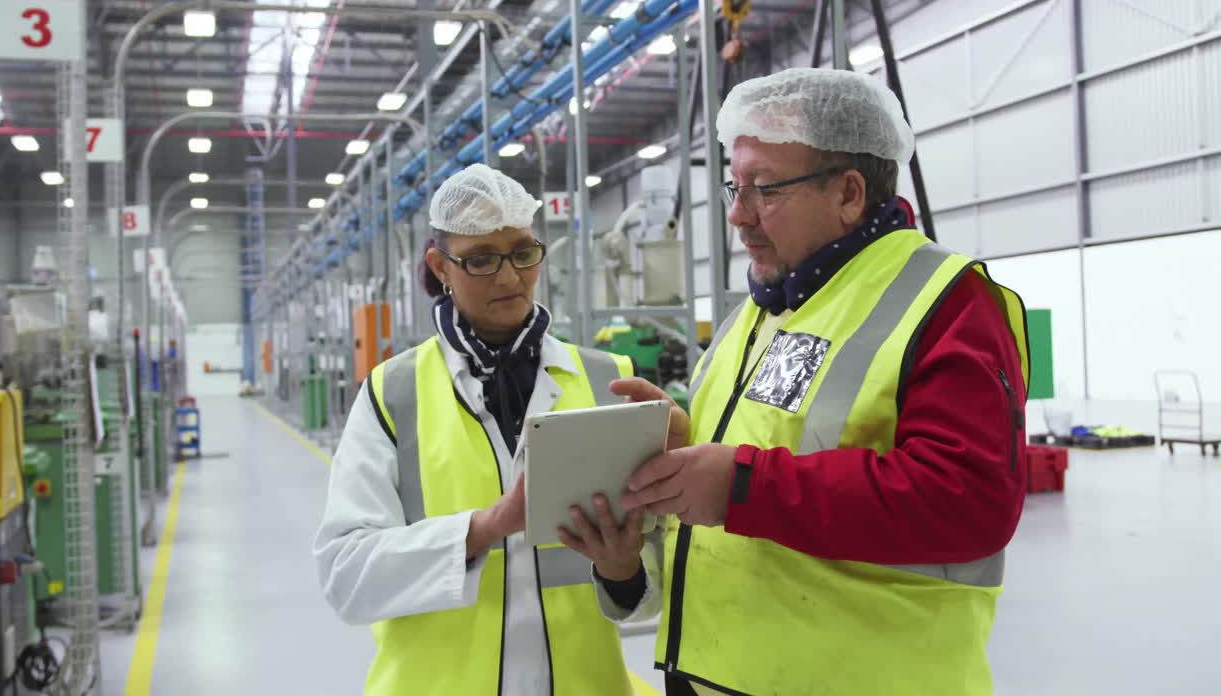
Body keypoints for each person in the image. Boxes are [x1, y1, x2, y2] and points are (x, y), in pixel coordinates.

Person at [564, 67, 1031, 695]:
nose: (737, 215)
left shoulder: (946, 301)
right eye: (734, 187)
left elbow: (969, 502)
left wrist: (739, 485)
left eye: (765, 189)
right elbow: (768, 451)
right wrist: (683, 445)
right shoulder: (761, 311)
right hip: (711, 675)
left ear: (849, 193)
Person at [313, 163, 644, 695]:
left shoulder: (609, 379)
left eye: (523, 253)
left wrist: (623, 570)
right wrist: (483, 528)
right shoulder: (393, 393)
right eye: (482, 259)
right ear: (440, 266)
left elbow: (656, 580)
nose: (510, 278)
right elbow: (346, 576)